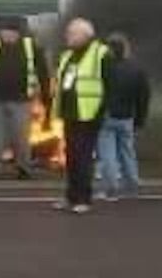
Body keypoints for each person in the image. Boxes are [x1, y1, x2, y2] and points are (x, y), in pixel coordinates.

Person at [52, 18, 110, 214]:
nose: (67, 36)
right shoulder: (68, 55)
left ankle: (84, 198)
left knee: (83, 157)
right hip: (70, 113)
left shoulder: (100, 53)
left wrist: (102, 111)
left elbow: (110, 85)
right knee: (71, 157)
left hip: (89, 114)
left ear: (85, 35)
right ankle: (71, 196)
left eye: (72, 33)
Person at [0, 17, 51, 180]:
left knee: (21, 136)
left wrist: (46, 95)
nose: (4, 35)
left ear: (16, 33)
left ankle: (23, 168)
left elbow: (42, 71)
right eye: (2, 31)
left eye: (7, 31)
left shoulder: (31, 46)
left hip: (22, 99)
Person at [97, 33, 150, 201]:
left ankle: (111, 188)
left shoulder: (103, 67)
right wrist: (140, 119)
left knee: (108, 154)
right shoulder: (137, 68)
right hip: (127, 116)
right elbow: (144, 96)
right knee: (128, 151)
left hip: (107, 114)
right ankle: (133, 185)